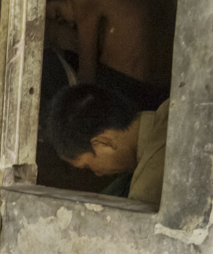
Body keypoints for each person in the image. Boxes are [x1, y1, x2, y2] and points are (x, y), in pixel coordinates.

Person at [44, 0, 175, 107]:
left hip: (129, 91)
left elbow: (87, 74)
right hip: (167, 90)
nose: (68, 24)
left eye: (59, 15)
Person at [42, 82, 171, 207]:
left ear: (102, 143)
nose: (98, 174)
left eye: (87, 166)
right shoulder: (173, 105)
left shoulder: (146, 196)